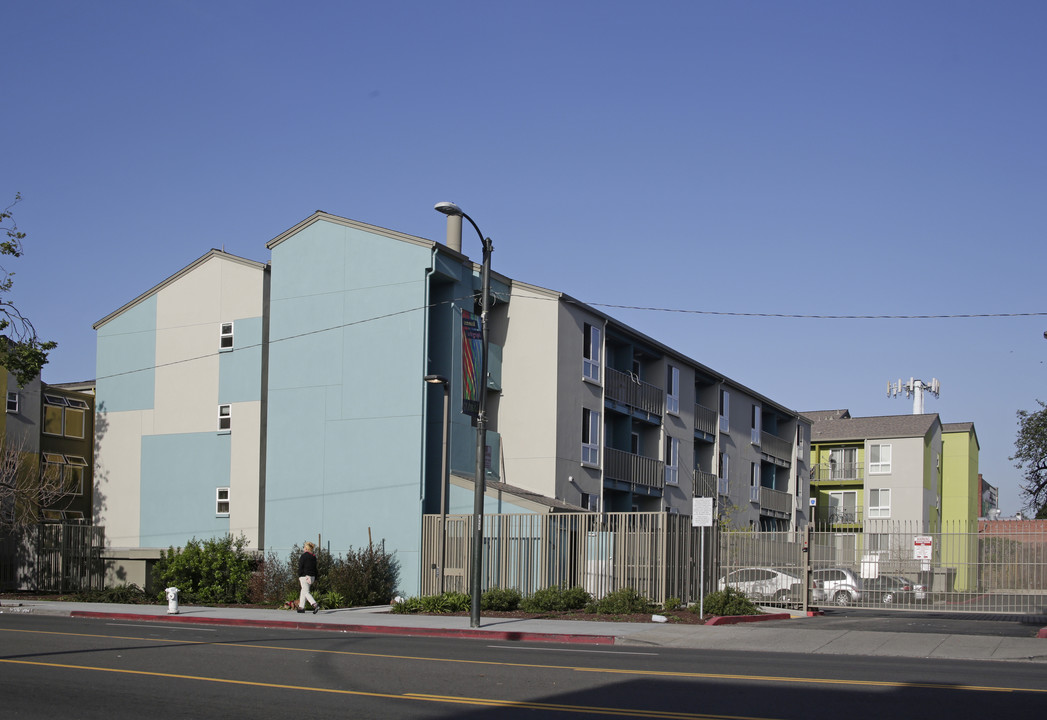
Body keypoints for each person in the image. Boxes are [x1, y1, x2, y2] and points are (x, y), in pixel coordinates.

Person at [297, 541, 320, 614]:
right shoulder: (313, 557)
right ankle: (301, 607)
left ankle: (314, 604)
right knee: (303, 590)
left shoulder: (304, 556)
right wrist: (315, 577)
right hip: (312, 577)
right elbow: (315, 568)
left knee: (306, 592)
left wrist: (299, 574)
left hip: (305, 576)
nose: (303, 548)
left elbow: (301, 566)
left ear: (306, 548)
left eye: (304, 547)